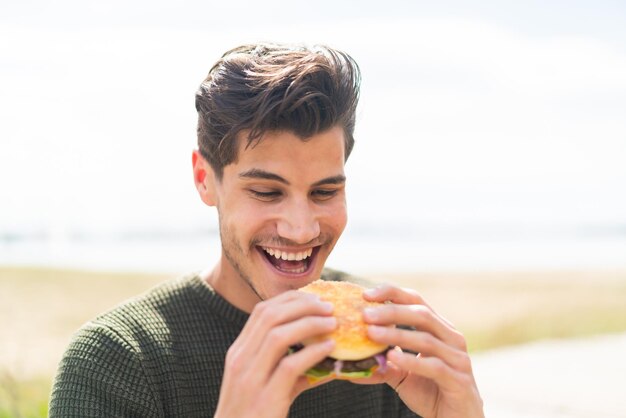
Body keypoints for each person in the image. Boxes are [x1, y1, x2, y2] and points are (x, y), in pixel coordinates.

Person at [49, 43, 484, 417]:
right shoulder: (116, 362)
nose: (301, 229)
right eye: (266, 192)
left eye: (324, 192)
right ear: (205, 179)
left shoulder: (389, 347)